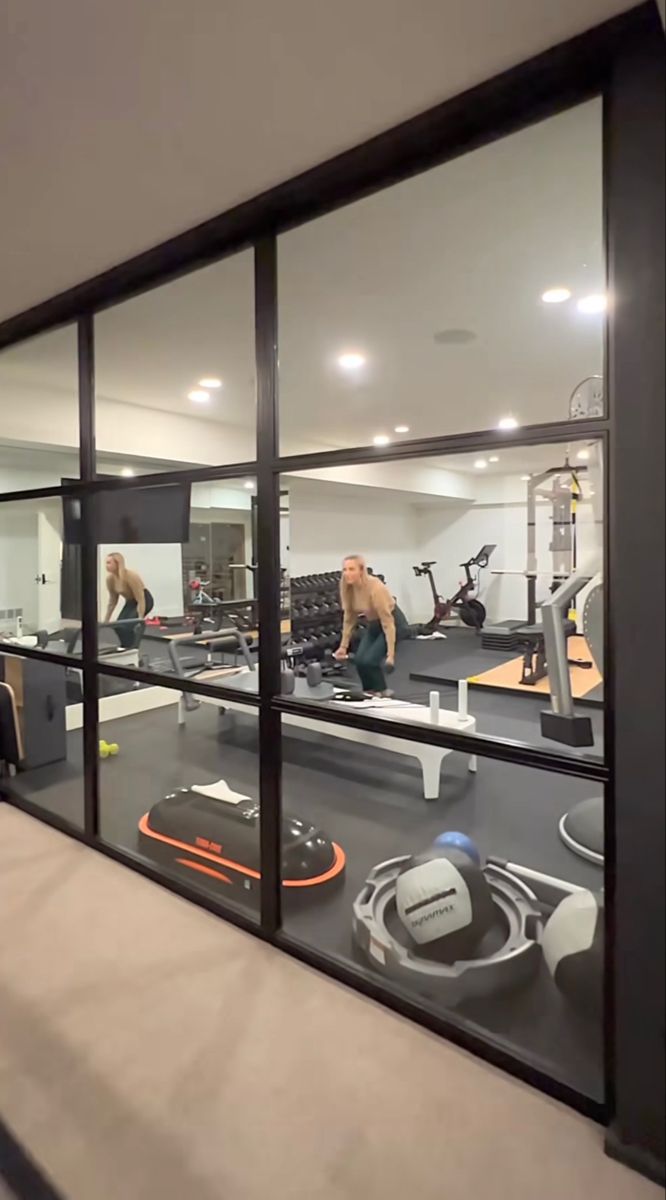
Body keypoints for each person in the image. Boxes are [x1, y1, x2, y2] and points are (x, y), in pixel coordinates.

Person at [333, 555, 409, 695]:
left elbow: (388, 623)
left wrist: (390, 655)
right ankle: (369, 692)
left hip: (394, 623)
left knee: (370, 661)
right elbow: (349, 619)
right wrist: (343, 647)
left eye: (351, 569)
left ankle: (383, 691)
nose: (347, 573)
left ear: (361, 570)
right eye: (345, 569)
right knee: (360, 660)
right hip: (374, 623)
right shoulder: (347, 587)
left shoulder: (375, 588)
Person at [104, 553, 154, 648]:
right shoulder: (110, 579)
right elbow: (112, 602)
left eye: (109, 563)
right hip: (130, 602)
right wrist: (105, 620)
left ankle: (133, 648)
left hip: (144, 600)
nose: (106, 566)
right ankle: (127, 647)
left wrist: (140, 619)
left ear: (117, 563)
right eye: (106, 563)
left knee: (127, 626)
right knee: (118, 626)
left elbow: (141, 598)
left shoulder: (131, 576)